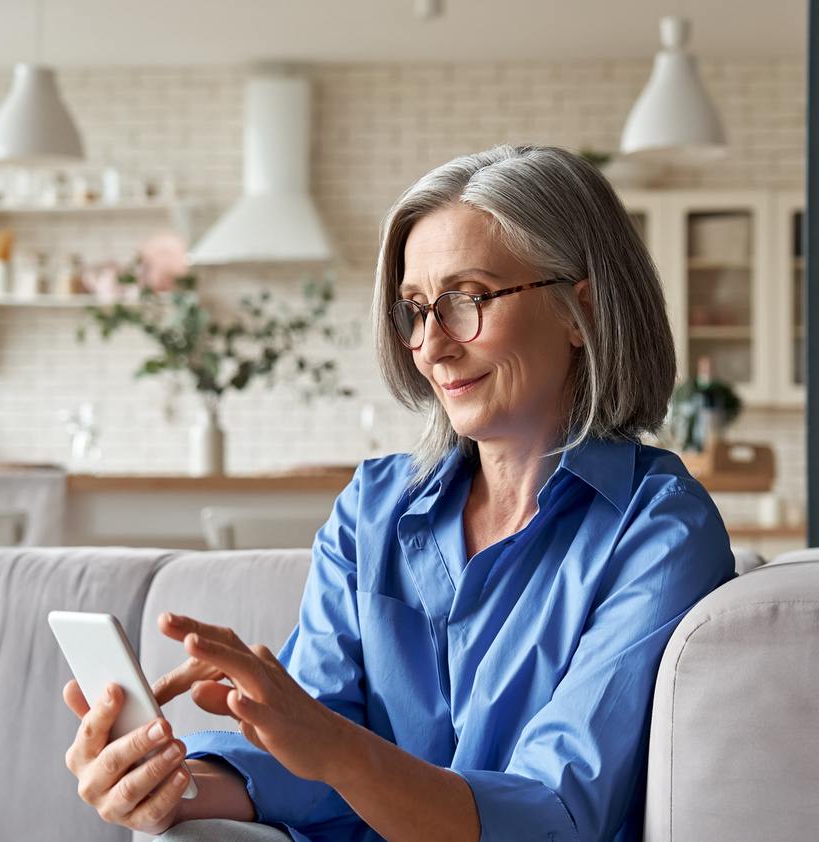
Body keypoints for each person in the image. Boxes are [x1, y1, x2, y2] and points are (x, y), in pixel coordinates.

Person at [61, 144, 735, 842]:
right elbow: (306, 761)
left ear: (579, 312)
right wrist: (167, 783)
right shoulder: (373, 507)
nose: (431, 346)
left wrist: (332, 747)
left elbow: (554, 816)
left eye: (466, 299)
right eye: (415, 309)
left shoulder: (657, 529)